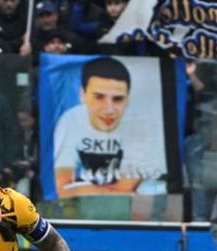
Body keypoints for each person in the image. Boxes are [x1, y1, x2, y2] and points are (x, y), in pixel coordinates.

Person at [53, 56, 164, 197]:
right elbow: (61, 189)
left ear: (128, 100)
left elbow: (126, 189)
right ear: (83, 95)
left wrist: (81, 189)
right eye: (99, 97)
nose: (109, 110)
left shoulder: (140, 125)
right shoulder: (69, 121)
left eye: (118, 99)